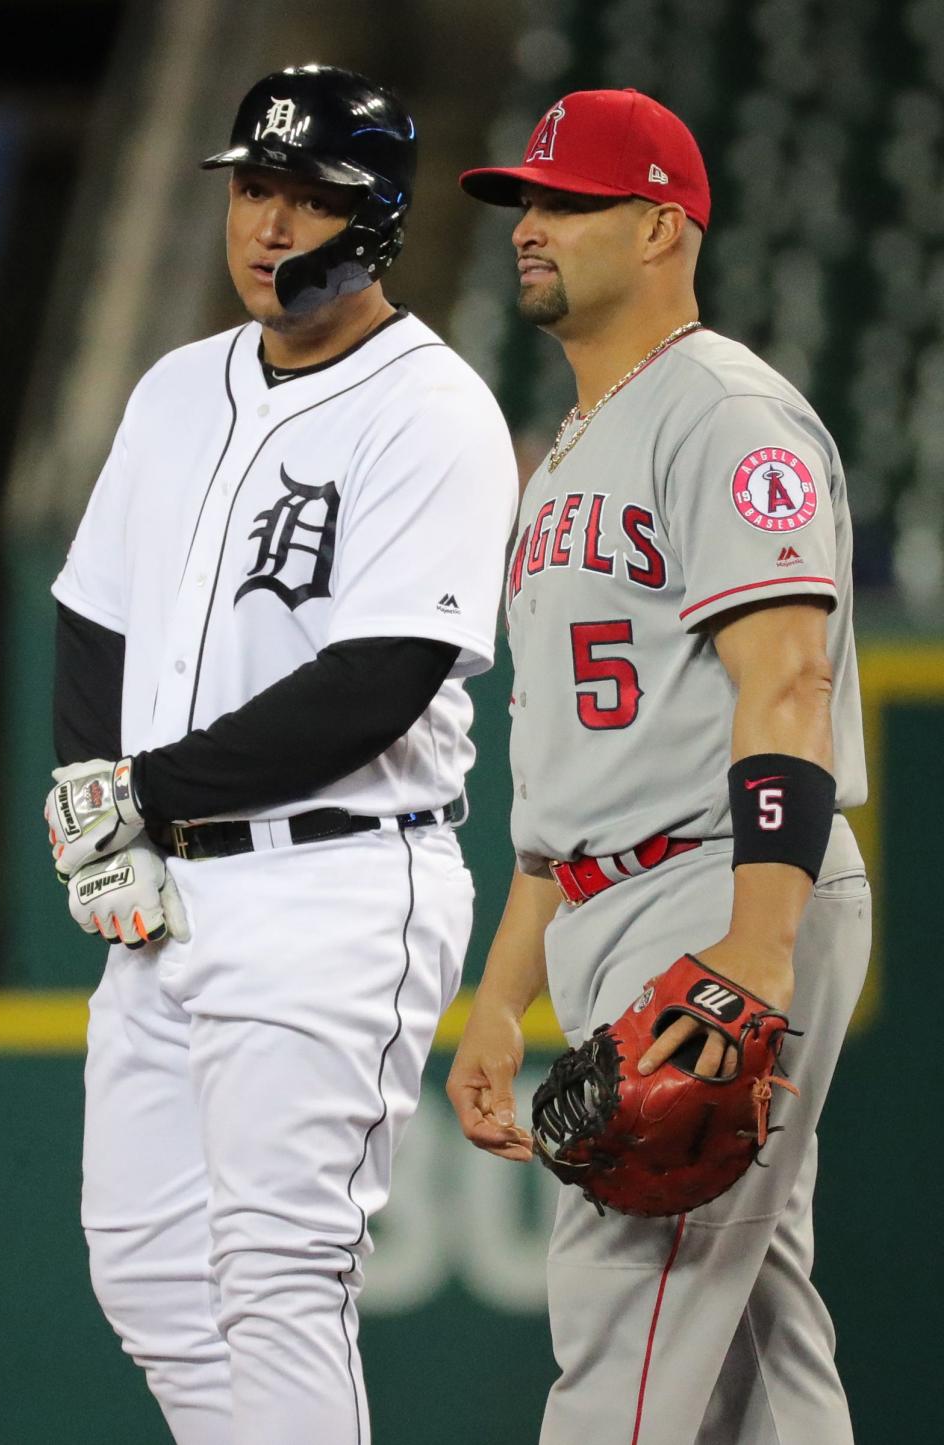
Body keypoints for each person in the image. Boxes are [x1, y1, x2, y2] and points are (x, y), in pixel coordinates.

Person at [44, 64, 517, 1445]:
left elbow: (378, 681)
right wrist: (95, 796)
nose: (266, 225)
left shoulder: (431, 409)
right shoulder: (179, 388)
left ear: (371, 223)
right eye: (254, 187)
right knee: (145, 1267)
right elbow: (92, 612)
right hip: (171, 888)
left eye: (307, 199)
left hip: (337, 887)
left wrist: (141, 793)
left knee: (277, 1274)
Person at [448, 88, 869, 1445]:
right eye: (527, 197)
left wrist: (758, 944)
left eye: (568, 200)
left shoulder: (730, 415)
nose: (531, 223)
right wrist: (503, 998)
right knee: (756, 1337)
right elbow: (566, 785)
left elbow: (786, 680)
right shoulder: (573, 450)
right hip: (613, 894)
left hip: (720, 888)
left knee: (626, 1315)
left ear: (666, 225)